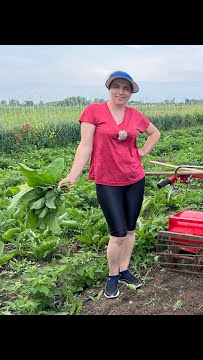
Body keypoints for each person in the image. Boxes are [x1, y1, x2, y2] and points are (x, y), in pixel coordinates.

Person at [58, 70, 161, 299]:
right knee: (118, 234)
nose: (121, 92)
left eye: (126, 88)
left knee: (131, 229)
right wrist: (72, 176)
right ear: (109, 88)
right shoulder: (93, 111)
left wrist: (143, 151)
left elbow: (155, 133)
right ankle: (112, 275)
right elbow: (85, 147)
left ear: (131, 92)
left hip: (135, 178)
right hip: (108, 181)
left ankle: (125, 270)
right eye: (117, 86)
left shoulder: (134, 115)